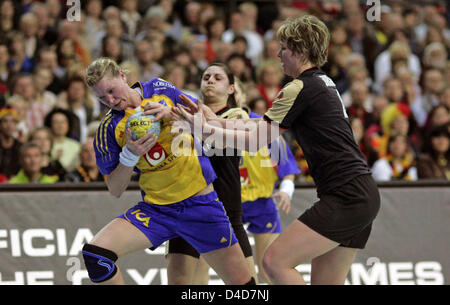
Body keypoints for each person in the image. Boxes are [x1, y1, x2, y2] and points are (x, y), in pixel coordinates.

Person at [172, 15, 380, 285]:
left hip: (346, 196)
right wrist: (214, 120)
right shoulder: (323, 83)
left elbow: (256, 140)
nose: (279, 54)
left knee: (273, 263)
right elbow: (260, 125)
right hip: (360, 194)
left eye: (283, 48)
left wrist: (204, 129)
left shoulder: (298, 87)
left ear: (300, 50)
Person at [81, 57, 254, 285]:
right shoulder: (108, 129)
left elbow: (203, 115)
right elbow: (115, 188)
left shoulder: (159, 89)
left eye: (112, 91)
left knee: (245, 286)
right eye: (102, 98)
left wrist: (172, 111)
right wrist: (129, 156)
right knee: (96, 255)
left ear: (123, 76)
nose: (110, 100)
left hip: (201, 205)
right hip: (157, 211)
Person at [165, 62, 257, 284]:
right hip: (186, 206)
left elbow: (249, 133)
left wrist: (203, 124)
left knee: (247, 283)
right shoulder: (184, 114)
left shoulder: (236, 114)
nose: (210, 81)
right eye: (206, 77)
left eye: (218, 78)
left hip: (225, 209)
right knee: (181, 282)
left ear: (232, 89)